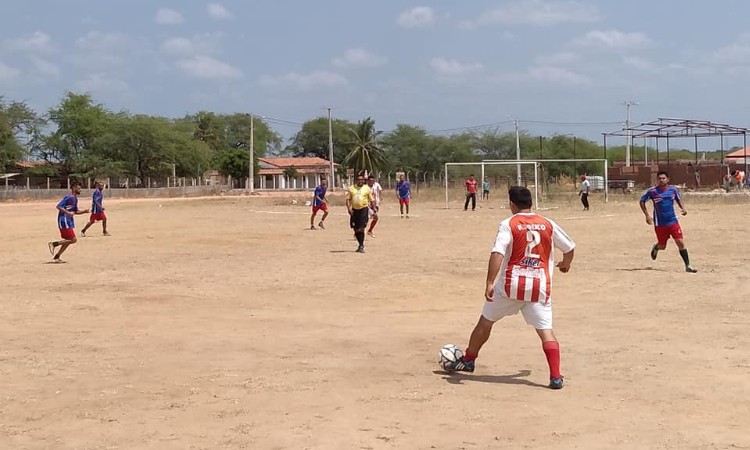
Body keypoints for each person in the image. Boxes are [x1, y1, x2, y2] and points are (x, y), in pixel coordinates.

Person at [444, 186, 576, 390]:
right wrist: (566, 264)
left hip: (510, 285)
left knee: (485, 322)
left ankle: (468, 360)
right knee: (546, 332)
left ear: (512, 205)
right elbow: (569, 248)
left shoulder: (509, 223)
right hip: (539, 286)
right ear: (531, 202)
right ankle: (556, 376)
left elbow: (497, 252)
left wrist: (489, 282)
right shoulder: (547, 223)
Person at [639, 171, 697, 273]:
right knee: (663, 246)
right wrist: (647, 215)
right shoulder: (652, 192)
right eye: (659, 178)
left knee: (680, 243)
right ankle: (656, 247)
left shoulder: (673, 190)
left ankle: (688, 265)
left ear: (668, 179)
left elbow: (678, 199)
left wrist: (683, 208)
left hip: (673, 221)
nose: (661, 180)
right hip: (660, 224)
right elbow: (642, 201)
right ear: (657, 180)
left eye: (663, 178)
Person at [48, 181, 90, 263]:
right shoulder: (69, 197)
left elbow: (75, 211)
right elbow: (59, 206)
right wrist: (68, 213)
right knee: (73, 240)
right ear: (74, 188)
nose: (80, 190)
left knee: (68, 240)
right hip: (64, 220)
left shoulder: (75, 199)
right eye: (78, 188)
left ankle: (57, 257)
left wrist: (84, 211)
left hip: (68, 220)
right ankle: (54, 244)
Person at [346, 175, 375, 253]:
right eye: (359, 180)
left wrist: (374, 208)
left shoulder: (367, 189)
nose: (360, 181)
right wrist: (349, 208)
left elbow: (371, 200)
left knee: (361, 228)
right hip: (354, 211)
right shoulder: (351, 188)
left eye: (362, 180)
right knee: (355, 229)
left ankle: (361, 245)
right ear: (356, 181)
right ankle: (360, 245)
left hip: (363, 210)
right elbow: (348, 199)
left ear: (364, 181)